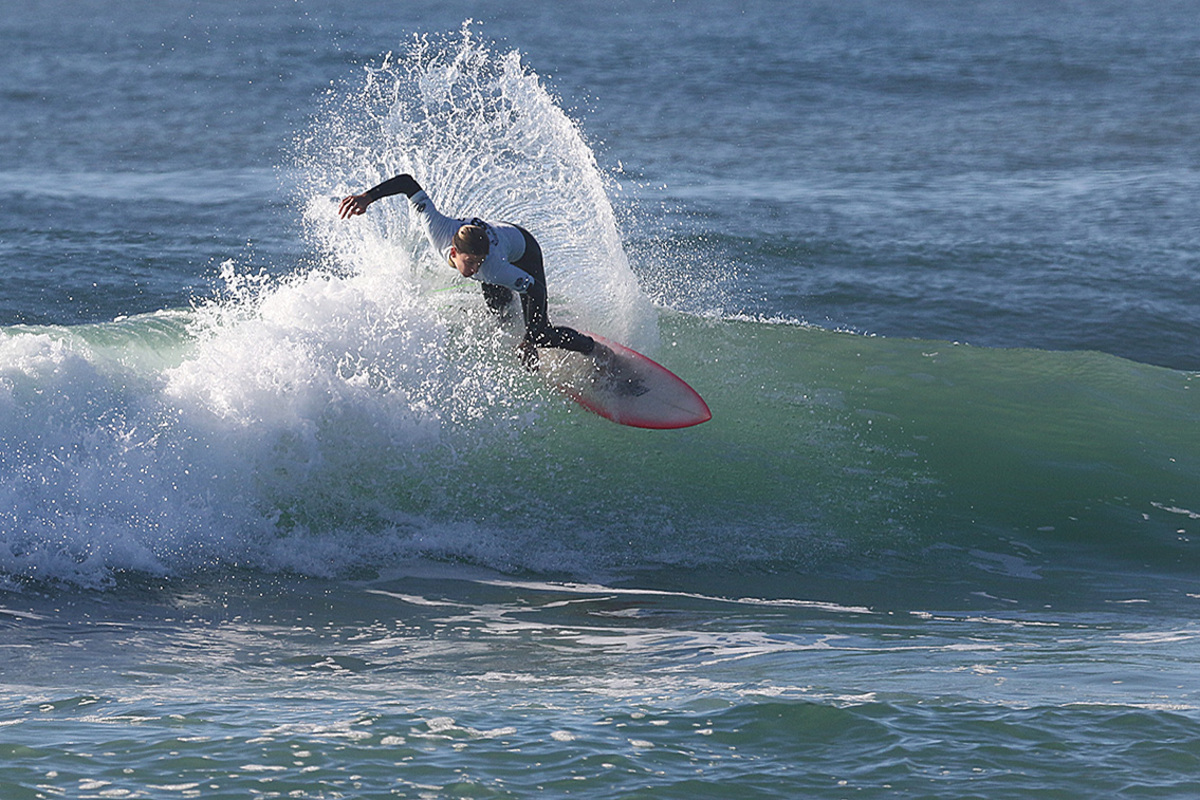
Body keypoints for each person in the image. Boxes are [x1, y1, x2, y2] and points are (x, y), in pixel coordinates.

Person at [338, 173, 610, 371]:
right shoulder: (438, 228)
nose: (474, 269)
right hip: (497, 239)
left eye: (478, 264)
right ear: (453, 253)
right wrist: (367, 197)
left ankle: (596, 351)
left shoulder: (492, 268)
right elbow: (408, 183)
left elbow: (534, 288)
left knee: (540, 333)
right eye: (470, 263)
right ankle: (525, 328)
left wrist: (529, 341)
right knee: (500, 312)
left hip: (524, 251)